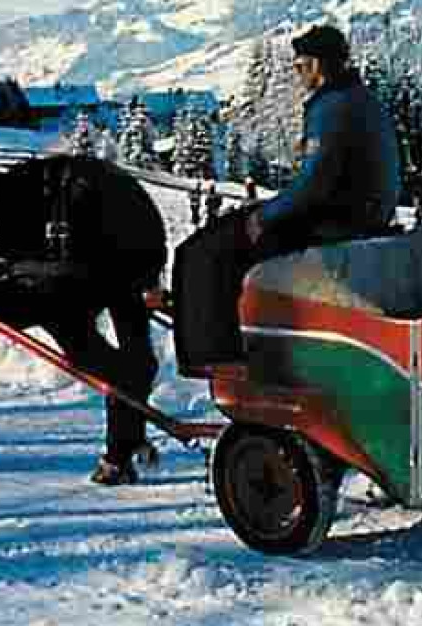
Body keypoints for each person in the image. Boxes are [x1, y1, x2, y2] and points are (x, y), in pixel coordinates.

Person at [170, 24, 401, 370]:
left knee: (201, 252)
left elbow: (313, 185)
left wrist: (262, 216)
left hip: (336, 221)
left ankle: (215, 358)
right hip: (362, 213)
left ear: (317, 66)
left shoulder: (332, 106)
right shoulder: (362, 99)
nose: (297, 75)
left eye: (299, 66)